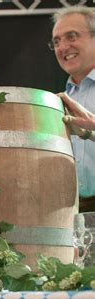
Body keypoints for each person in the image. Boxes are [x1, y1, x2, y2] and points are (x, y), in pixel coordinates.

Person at [51, 5, 95, 212]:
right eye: (56, 42)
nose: (63, 47)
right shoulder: (60, 101)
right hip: (76, 210)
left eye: (72, 36)